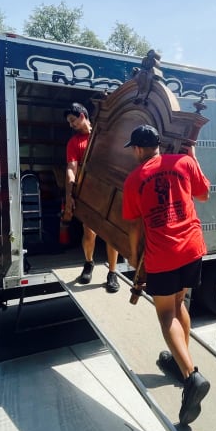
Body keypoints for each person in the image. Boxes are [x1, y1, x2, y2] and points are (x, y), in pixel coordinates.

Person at [122, 124, 211, 426]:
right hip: (192, 248)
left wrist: (134, 257)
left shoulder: (135, 179)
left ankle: (193, 376)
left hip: (163, 255)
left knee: (164, 315)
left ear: (137, 148)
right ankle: (181, 363)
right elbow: (204, 194)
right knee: (180, 303)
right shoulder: (184, 162)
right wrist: (194, 158)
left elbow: (134, 226)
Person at [64, 103, 120, 293]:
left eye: (72, 120)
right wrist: (70, 189)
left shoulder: (103, 135)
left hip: (109, 192)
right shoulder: (73, 143)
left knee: (112, 236)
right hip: (87, 194)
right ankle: (89, 263)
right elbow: (71, 167)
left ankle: (112, 273)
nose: (71, 125)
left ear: (82, 116)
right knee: (89, 233)